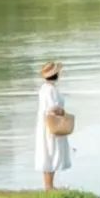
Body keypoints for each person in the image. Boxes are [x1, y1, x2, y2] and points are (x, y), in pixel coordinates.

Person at [35, 60, 71, 191]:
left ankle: (48, 185)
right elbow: (52, 108)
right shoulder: (51, 90)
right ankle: (49, 186)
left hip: (45, 125)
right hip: (52, 124)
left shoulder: (44, 88)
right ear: (56, 75)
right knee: (52, 151)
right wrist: (62, 111)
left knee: (47, 152)